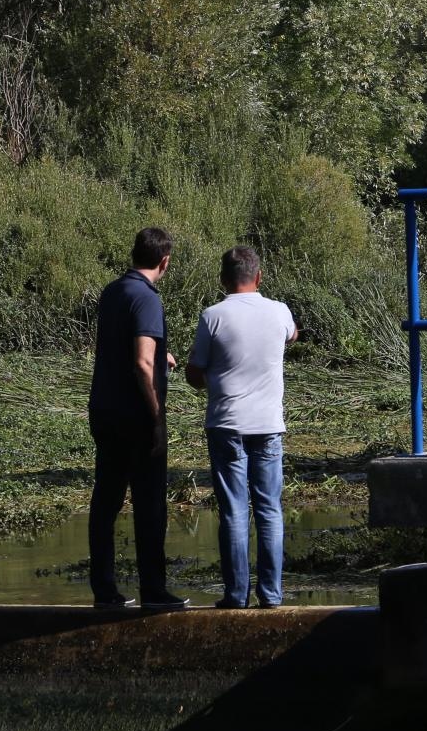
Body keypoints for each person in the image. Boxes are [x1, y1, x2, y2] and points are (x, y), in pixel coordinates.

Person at [185, 246, 297, 610]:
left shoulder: (212, 316)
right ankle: (272, 595)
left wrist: (211, 377)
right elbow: (292, 335)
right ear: (259, 276)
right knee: (269, 509)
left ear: (223, 280)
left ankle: (236, 596)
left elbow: (195, 373)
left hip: (226, 424)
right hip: (268, 425)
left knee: (234, 511)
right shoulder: (279, 311)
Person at [87, 227, 189, 611]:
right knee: (149, 505)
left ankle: (105, 591)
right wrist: (158, 414)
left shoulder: (112, 292)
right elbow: (141, 362)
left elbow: (124, 346)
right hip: (135, 416)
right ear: (164, 262)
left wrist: (162, 357)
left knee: (106, 503)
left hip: (103, 410)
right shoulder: (147, 299)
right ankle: (154, 591)